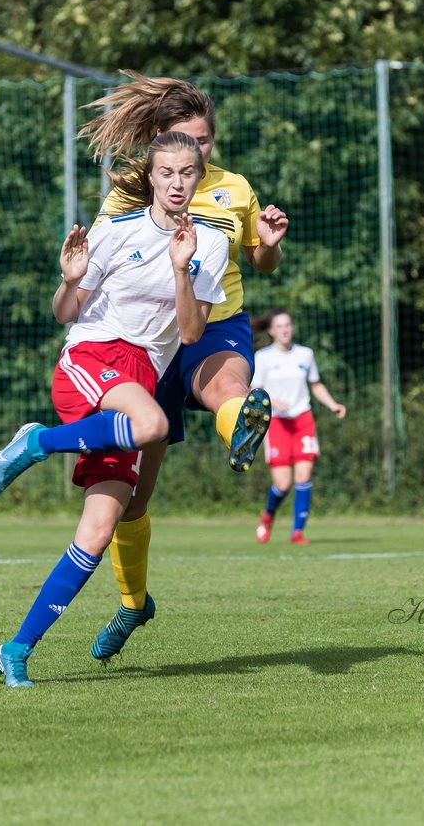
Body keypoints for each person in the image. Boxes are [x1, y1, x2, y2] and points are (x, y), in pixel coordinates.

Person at [0, 131, 229, 687]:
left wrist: (179, 268)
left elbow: (191, 334)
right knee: (152, 424)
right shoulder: (117, 230)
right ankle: (37, 442)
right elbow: (65, 311)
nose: (176, 183)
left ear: (199, 176)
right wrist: (69, 281)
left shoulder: (209, 243)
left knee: (98, 529)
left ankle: (15, 649)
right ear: (151, 176)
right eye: (165, 172)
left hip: (141, 374)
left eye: (186, 173)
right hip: (92, 358)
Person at [76, 71, 289, 660]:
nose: (194, 152)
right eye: (182, 140)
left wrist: (267, 244)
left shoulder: (234, 189)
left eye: (203, 142)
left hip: (215, 323)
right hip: (148, 341)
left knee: (231, 385)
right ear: (158, 142)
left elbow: (260, 263)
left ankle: (241, 427)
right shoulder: (131, 193)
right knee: (132, 500)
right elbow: (96, 270)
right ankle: (132, 604)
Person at [250, 309, 346, 545]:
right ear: (272, 331)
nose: (285, 329)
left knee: (304, 475)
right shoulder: (263, 357)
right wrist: (271, 400)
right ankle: (268, 516)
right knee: (283, 484)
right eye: (280, 326)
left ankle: (297, 533)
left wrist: (333, 404)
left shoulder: (305, 354)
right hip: (277, 424)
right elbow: (254, 391)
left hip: (302, 420)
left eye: (288, 325)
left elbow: (315, 385)